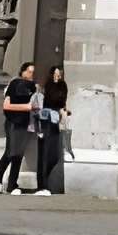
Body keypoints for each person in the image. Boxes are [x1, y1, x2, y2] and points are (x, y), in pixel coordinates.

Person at [0, 61, 38, 193]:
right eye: (29, 71)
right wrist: (27, 107)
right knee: (12, 152)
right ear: (22, 72)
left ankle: (12, 185)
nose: (31, 74)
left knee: (18, 153)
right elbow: (7, 106)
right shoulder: (15, 83)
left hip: (24, 123)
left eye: (33, 72)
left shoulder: (32, 87)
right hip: (13, 122)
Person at [34, 66, 69, 195]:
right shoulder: (47, 86)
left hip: (56, 121)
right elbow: (51, 99)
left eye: (59, 74)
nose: (57, 76)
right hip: (45, 120)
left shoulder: (62, 85)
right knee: (45, 153)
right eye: (55, 74)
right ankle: (42, 185)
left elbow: (61, 99)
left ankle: (46, 183)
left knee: (53, 155)